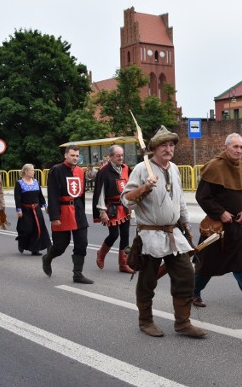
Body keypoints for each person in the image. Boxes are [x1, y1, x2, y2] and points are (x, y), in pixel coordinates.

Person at [121, 126, 206, 338]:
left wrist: (186, 226)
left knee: (186, 275)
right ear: (154, 149)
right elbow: (126, 200)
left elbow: (179, 200)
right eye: (164, 145)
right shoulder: (142, 169)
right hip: (150, 235)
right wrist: (144, 188)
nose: (168, 149)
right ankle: (145, 321)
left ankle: (183, 323)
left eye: (171, 145)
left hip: (174, 234)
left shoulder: (175, 168)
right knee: (147, 281)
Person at [193, 133, 242, 316]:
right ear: (225, 147)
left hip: (237, 228)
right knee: (206, 266)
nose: (239, 150)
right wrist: (220, 213)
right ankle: (192, 293)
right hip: (216, 229)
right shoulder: (214, 167)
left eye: (241, 147)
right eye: (235, 147)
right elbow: (202, 196)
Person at [42, 145, 94, 284]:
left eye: (77, 156)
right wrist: (54, 217)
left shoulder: (80, 171)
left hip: (77, 210)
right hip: (63, 211)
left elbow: (81, 194)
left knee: (82, 243)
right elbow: (52, 194)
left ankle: (77, 274)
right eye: (72, 155)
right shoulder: (56, 170)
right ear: (66, 155)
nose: (75, 158)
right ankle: (48, 258)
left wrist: (83, 210)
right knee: (60, 246)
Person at [93, 145, 134, 274]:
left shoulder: (126, 169)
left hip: (124, 207)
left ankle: (124, 263)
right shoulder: (104, 172)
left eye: (122, 155)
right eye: (118, 156)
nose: (121, 158)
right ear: (111, 157)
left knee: (126, 235)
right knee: (114, 234)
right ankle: (101, 253)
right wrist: (102, 211)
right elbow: (100, 193)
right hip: (111, 208)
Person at [14, 163, 51, 256]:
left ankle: (35, 249)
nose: (33, 172)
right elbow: (17, 198)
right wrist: (19, 210)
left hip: (36, 209)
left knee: (38, 228)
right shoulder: (19, 183)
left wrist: (45, 206)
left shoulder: (36, 182)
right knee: (27, 229)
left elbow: (40, 196)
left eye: (33, 170)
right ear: (26, 171)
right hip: (26, 210)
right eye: (32, 170)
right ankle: (21, 242)